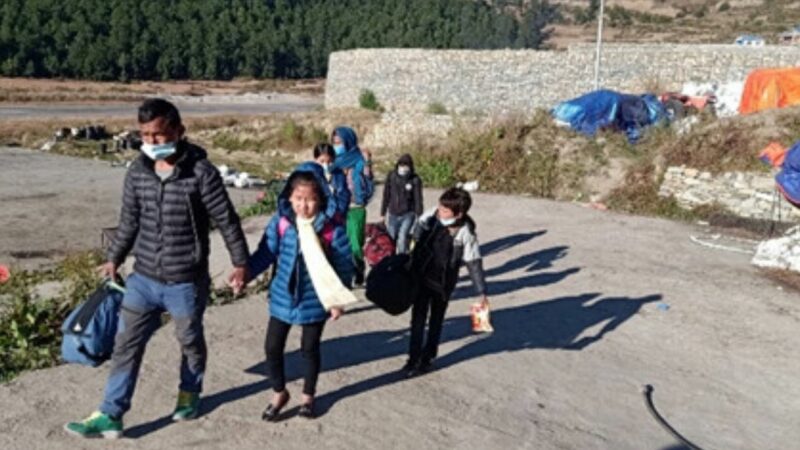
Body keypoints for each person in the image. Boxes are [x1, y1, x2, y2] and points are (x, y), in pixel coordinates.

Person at [65, 99, 249, 439]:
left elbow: (227, 221)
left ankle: (189, 394)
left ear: (178, 131)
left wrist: (240, 263)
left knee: (190, 340)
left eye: (159, 134)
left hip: (185, 281)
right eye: (145, 135)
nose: (151, 142)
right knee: (125, 345)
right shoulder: (137, 172)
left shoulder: (201, 173)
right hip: (143, 278)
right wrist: (115, 257)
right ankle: (111, 413)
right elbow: (129, 221)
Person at [236, 162, 355, 420]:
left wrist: (337, 300)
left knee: (309, 349)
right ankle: (279, 392)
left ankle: (308, 397)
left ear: (321, 199)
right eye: (298, 199)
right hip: (283, 297)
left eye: (311, 200)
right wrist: (245, 274)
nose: (304, 206)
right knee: (272, 348)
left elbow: (345, 265)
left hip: (316, 299)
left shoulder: (331, 229)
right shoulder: (282, 223)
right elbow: (265, 254)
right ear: (289, 197)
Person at [404, 188, 489, 377]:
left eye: (445, 210)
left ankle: (428, 358)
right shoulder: (429, 216)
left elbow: (473, 263)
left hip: (443, 285)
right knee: (417, 321)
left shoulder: (466, 232)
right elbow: (415, 240)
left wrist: (480, 292)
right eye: (440, 206)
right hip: (422, 278)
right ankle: (412, 358)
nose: (440, 211)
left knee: (436, 321)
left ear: (459, 213)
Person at [331, 126, 374, 285]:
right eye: (334, 142)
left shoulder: (360, 160)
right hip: (338, 209)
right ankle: (346, 276)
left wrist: (368, 162)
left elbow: (368, 184)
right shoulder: (334, 162)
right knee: (340, 243)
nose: (337, 146)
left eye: (339, 142)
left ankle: (359, 269)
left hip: (356, 207)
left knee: (355, 244)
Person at [380, 154, 423, 254]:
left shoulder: (415, 179)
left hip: (408, 213)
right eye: (401, 165)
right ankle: (390, 257)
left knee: (402, 237)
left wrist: (419, 215)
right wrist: (383, 213)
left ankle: (401, 259)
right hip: (393, 213)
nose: (403, 168)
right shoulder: (392, 176)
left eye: (406, 166)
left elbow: (418, 199)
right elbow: (386, 195)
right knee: (391, 237)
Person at [313, 142, 350, 218]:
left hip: (336, 216)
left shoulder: (339, 175)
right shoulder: (310, 176)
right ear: (315, 160)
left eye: (329, 162)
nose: (325, 165)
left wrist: (337, 214)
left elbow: (344, 196)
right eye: (322, 161)